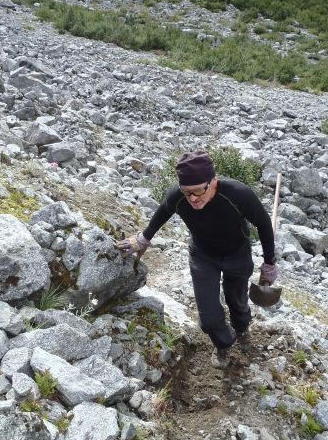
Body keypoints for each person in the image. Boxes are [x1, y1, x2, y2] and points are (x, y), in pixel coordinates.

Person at [116, 151, 278, 369]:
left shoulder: (238, 194)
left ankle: (241, 328)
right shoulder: (178, 195)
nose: (192, 198)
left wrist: (269, 264)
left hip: (237, 255)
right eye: (187, 192)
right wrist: (143, 239)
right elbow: (164, 211)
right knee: (209, 318)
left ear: (213, 181)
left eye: (199, 190)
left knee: (237, 299)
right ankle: (223, 343)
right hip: (202, 256)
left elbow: (265, 224)